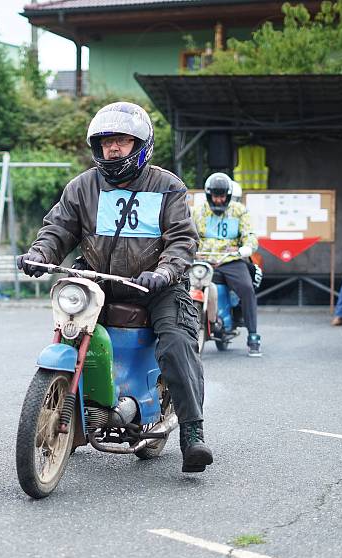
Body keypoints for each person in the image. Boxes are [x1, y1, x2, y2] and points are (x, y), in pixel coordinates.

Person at [17, 102, 213, 473]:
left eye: (122, 141)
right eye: (107, 142)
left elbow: (182, 240)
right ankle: (76, 414)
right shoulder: (84, 186)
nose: (113, 149)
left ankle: (192, 432)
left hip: (157, 285)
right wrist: (39, 253)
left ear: (142, 145)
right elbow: (58, 229)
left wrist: (165, 273)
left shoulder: (167, 186)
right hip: (99, 279)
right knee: (71, 331)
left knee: (175, 342)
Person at [192, 172, 262, 357]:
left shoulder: (239, 211)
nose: (219, 199)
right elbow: (188, 234)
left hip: (230, 260)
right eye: (215, 195)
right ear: (208, 195)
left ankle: (253, 336)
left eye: (222, 195)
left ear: (229, 195)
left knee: (247, 288)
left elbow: (249, 235)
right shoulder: (198, 211)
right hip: (203, 259)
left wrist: (246, 248)